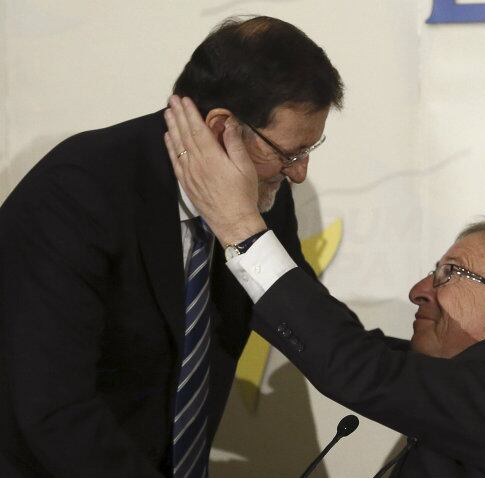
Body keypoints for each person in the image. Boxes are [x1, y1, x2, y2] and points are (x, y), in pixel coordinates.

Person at [163, 96, 485, 477]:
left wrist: (241, 227)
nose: (420, 289)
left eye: (451, 273)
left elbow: (358, 365)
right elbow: (364, 354)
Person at [0, 16, 342, 477]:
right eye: (289, 153)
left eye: (308, 151)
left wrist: (444, 367)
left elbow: (303, 321)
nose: (299, 172)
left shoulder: (260, 199)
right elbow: (55, 412)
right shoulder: (78, 195)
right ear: (222, 127)